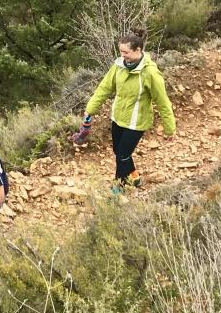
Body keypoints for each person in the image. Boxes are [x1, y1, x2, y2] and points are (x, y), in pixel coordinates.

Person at [72, 32, 176, 193]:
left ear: (138, 50)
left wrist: (169, 128)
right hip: (118, 117)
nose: (122, 55)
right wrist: (90, 109)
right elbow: (104, 88)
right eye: (120, 51)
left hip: (137, 122)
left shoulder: (150, 73)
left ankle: (118, 188)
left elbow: (163, 102)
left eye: (125, 52)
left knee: (122, 154)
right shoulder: (119, 65)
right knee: (118, 152)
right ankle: (134, 176)